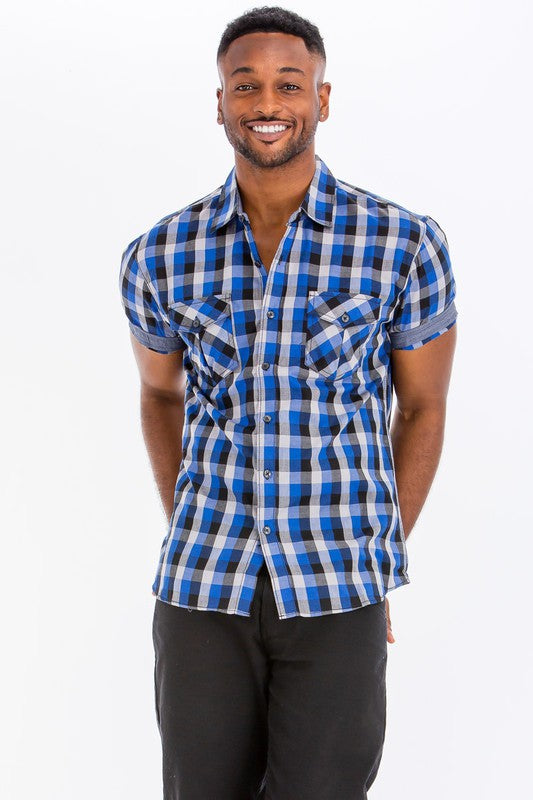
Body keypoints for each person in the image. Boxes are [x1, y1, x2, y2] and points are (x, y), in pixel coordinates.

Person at [118, 6, 458, 799]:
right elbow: (159, 393)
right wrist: (189, 515)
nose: (266, 103)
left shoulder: (401, 243)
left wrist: (372, 555)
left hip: (336, 586)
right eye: (245, 86)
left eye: (288, 84)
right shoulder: (160, 254)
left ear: (321, 99)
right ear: (220, 104)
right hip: (202, 586)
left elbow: (423, 408)